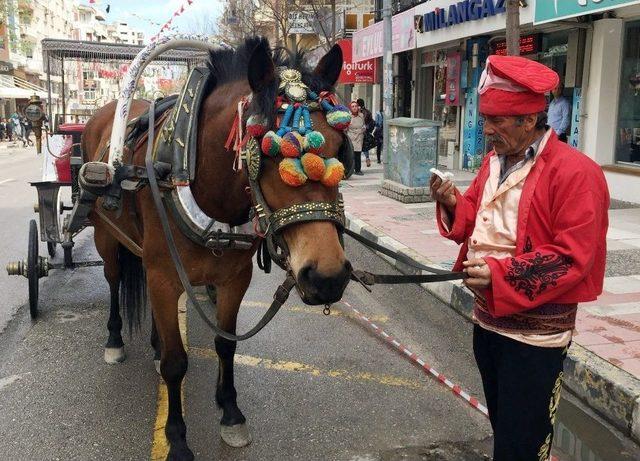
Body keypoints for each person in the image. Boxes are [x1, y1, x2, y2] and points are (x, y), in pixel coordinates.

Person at [430, 55, 609, 461]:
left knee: (520, 445)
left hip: (534, 337)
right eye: (486, 117)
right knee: (505, 430)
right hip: (487, 322)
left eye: (497, 120)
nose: (486, 129)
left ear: (529, 121)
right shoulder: (494, 163)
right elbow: (475, 215)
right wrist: (452, 201)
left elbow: (571, 257)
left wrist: (498, 274)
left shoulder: (576, 173)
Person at [346, 100, 366, 175]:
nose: (354, 108)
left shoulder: (361, 115)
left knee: (358, 154)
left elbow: (363, 124)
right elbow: (346, 128)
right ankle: (350, 170)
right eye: (353, 106)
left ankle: (358, 170)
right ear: (350, 108)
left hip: (359, 137)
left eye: (356, 106)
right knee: (351, 154)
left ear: (358, 107)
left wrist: (364, 128)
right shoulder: (348, 116)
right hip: (351, 137)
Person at [357, 98, 375, 167]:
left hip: (360, 132)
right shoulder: (368, 111)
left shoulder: (360, 112)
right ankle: (367, 158)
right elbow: (371, 121)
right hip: (366, 132)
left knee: (359, 147)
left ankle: (356, 162)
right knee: (365, 147)